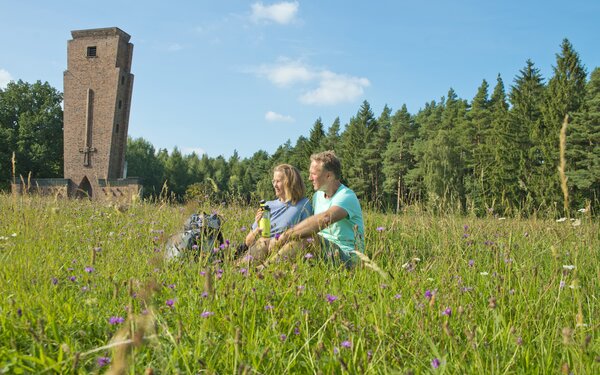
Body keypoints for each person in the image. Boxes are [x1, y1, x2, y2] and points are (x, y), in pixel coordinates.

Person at [270, 150, 365, 268]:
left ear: (329, 176)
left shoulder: (346, 196)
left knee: (308, 238)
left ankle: (266, 268)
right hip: (324, 251)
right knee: (294, 237)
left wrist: (286, 235)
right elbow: (308, 224)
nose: (310, 178)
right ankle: (249, 265)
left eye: (313, 174)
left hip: (348, 258)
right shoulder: (317, 196)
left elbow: (324, 219)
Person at [237, 164, 312, 265]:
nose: (274, 185)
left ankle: (264, 268)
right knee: (261, 245)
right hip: (263, 244)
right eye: (274, 181)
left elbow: (307, 235)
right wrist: (258, 227)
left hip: (285, 247)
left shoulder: (303, 204)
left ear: (289, 183)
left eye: (278, 181)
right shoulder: (267, 205)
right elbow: (248, 242)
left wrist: (278, 241)